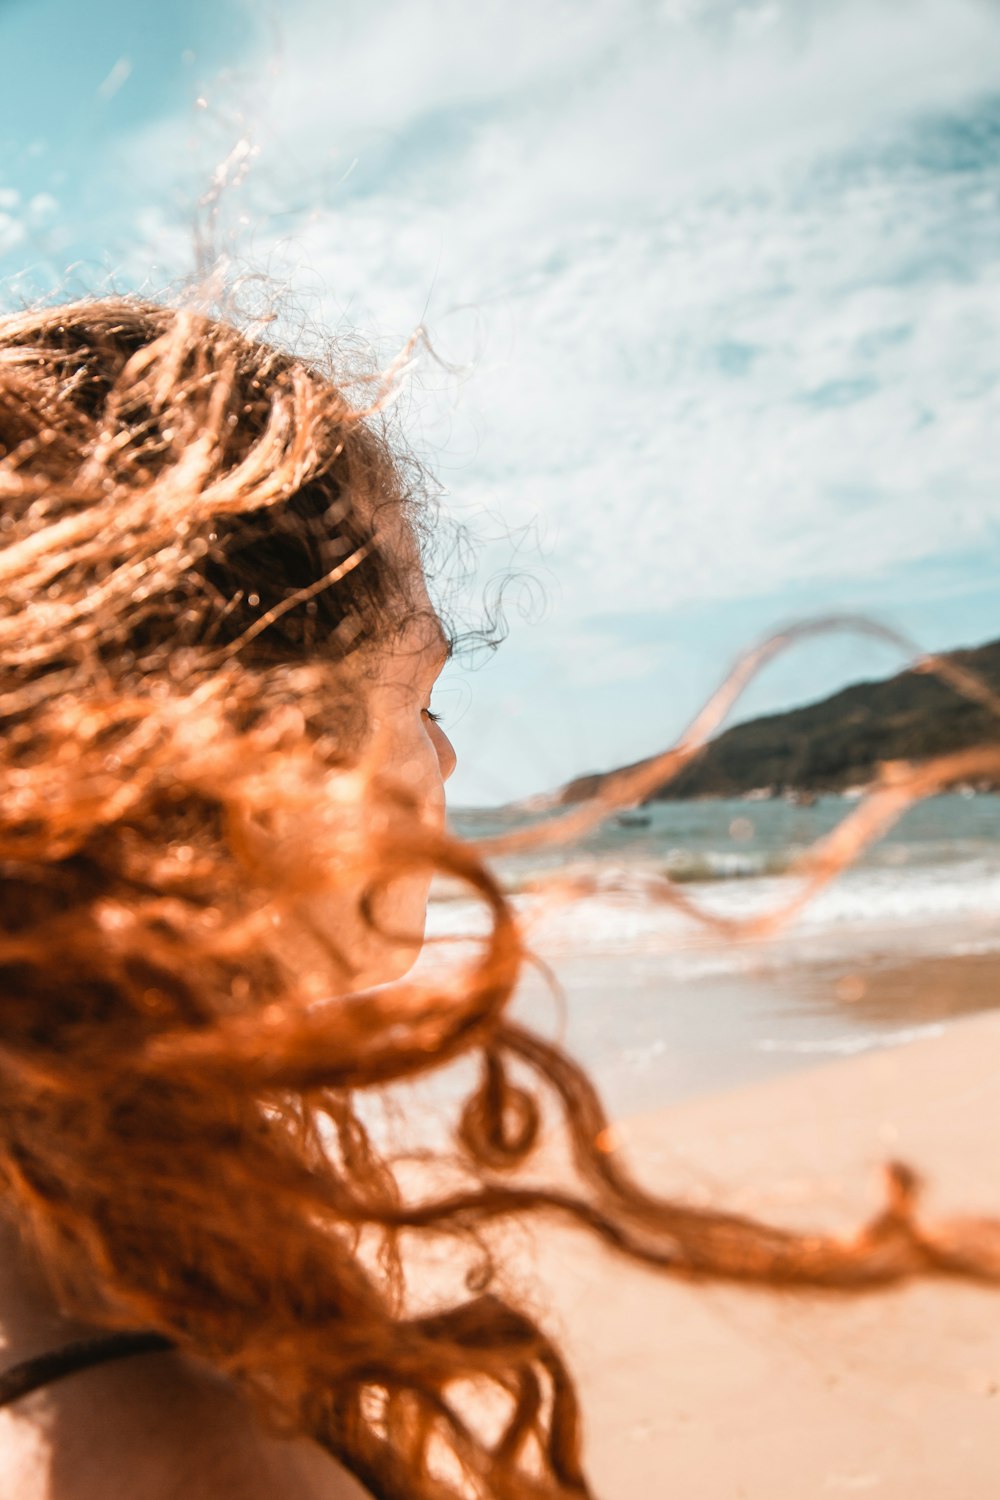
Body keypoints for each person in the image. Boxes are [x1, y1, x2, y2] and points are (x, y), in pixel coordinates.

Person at [1, 297, 998, 1500]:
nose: (448, 763)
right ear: (251, 750)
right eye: (418, 693)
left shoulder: (71, 1268)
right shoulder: (185, 1446)